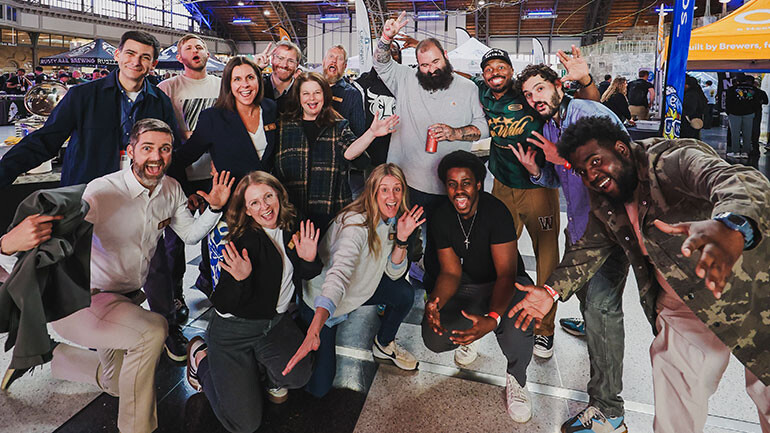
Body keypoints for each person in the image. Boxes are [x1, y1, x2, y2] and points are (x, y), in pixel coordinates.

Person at [509, 115, 770, 433]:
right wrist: (549, 291)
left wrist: (733, 226)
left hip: (755, 295)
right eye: (582, 170)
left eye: (595, 161)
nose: (591, 175)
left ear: (621, 149)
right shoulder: (604, 197)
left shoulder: (671, 161)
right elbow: (589, 248)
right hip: (682, 305)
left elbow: (738, 180)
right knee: (675, 412)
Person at [0, 119, 233, 433]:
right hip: (85, 301)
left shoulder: (171, 189)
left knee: (118, 383)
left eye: (165, 149)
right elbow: (51, 239)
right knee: (152, 330)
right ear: (132, 151)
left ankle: (51, 355)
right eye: (147, 147)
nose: (157, 156)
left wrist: (214, 208)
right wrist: (7, 244)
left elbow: (190, 235)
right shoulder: (103, 192)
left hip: (126, 300)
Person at [514, 63, 631, 432]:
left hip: (608, 234)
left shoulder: (589, 113)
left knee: (603, 310)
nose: (535, 99)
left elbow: (621, 164)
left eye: (540, 89)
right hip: (578, 229)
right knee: (587, 299)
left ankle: (610, 412)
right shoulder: (550, 126)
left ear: (557, 85)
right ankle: (587, 321)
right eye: (529, 94)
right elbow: (558, 175)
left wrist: (561, 158)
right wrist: (538, 169)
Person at [470, 46, 598, 358]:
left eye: (502, 67)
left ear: (511, 71)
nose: (495, 73)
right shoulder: (482, 93)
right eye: (489, 68)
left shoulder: (527, 93)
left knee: (547, 257)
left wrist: (586, 80)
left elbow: (589, 106)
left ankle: (544, 329)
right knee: (496, 254)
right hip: (501, 186)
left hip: (540, 185)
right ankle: (495, 313)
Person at [185, 171, 319, 433]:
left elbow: (305, 274)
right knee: (244, 424)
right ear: (246, 210)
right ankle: (201, 358)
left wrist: (309, 259)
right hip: (234, 333)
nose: (265, 207)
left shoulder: (292, 223)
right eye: (255, 203)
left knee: (298, 375)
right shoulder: (243, 240)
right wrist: (240, 279)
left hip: (274, 323)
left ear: (279, 195)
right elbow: (222, 303)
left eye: (268, 196)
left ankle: (259, 368)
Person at [283, 163, 423, 397]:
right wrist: (315, 328)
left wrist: (401, 238)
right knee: (319, 388)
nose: (392, 197)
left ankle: (384, 343)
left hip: (359, 289)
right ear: (372, 192)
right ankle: (299, 326)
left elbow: (394, 274)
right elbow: (338, 275)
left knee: (404, 294)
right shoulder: (355, 225)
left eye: (397, 189)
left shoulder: (395, 221)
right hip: (325, 300)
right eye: (384, 190)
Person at [422, 150, 535, 423]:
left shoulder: (495, 211)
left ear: (478, 185)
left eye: (466, 182)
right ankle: (470, 335)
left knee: (519, 320)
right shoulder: (442, 216)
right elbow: (450, 273)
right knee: (433, 337)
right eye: (452, 183)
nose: (459, 190)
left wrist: (493, 319)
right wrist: (435, 302)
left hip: (506, 284)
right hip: (469, 285)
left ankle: (517, 379)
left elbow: (506, 274)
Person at [373, 11, 489, 278]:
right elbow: (381, 63)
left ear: (445, 56)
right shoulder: (405, 79)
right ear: (417, 64)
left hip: (448, 185)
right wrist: (386, 37)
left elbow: (482, 128)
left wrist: (455, 133)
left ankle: (434, 290)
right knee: (400, 238)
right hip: (407, 183)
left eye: (435, 61)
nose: (431, 69)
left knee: (442, 245)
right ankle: (393, 283)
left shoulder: (468, 87)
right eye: (424, 65)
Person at [0, 30, 178, 188]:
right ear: (117, 55)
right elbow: (46, 140)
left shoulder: (160, 101)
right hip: (87, 191)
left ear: (153, 64)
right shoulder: (82, 95)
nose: (136, 61)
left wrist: (182, 187)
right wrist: (4, 171)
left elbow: (172, 148)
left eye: (145, 57)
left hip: (140, 191)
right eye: (130, 53)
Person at [151, 33, 222, 330]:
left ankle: (210, 283)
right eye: (189, 48)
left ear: (207, 54)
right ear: (180, 57)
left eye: (200, 47)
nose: (195, 51)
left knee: (213, 235)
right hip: (178, 177)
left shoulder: (221, 86)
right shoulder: (166, 88)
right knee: (175, 241)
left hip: (213, 175)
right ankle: (174, 294)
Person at [273, 72, 398, 232]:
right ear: (298, 97)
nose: (312, 99)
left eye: (317, 93)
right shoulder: (283, 127)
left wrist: (371, 133)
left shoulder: (338, 126)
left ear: (324, 96)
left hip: (330, 214)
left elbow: (349, 152)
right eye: (306, 94)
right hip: (291, 213)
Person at [322, 45, 365, 137]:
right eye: (331, 56)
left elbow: (358, 132)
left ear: (345, 66)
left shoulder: (353, 94)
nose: (334, 60)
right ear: (324, 62)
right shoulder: (312, 88)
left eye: (339, 58)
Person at [254, 40, 302, 114]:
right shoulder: (258, 86)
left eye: (291, 61)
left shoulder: (302, 90)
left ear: (297, 65)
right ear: (272, 59)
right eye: (280, 58)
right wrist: (255, 68)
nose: (284, 65)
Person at [726, 75, 758, 159]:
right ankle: (745, 152)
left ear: (737, 81)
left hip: (734, 113)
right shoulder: (753, 89)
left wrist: (728, 112)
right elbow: (757, 101)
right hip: (749, 113)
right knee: (747, 133)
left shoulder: (732, 89)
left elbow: (728, 102)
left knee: (735, 133)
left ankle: (736, 151)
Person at [681, 75, 707, 140]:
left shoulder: (690, 94)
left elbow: (689, 109)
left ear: (687, 85)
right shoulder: (698, 92)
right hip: (696, 120)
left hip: (689, 123)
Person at [750, 78, 768, 163]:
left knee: (750, 128)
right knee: (756, 129)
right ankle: (755, 146)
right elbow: (766, 101)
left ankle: (751, 146)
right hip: (757, 112)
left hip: (750, 112)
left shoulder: (751, 92)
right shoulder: (761, 92)